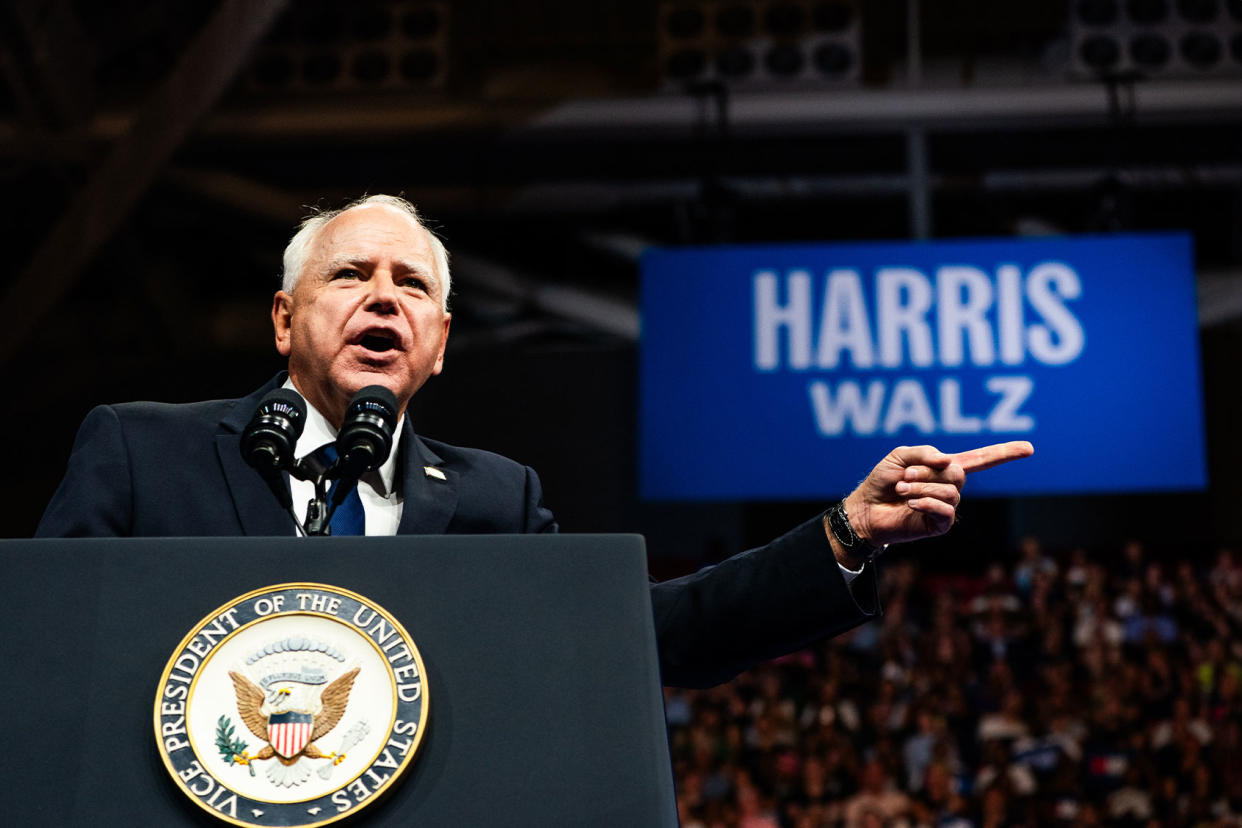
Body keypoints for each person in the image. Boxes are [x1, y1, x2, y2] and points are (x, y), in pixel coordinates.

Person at [35, 194, 1033, 687]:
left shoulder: (492, 500)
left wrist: (847, 533)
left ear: (438, 346)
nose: (384, 295)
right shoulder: (138, 450)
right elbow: (46, 653)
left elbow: (649, 637)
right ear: (284, 320)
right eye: (350, 276)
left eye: (413, 285)